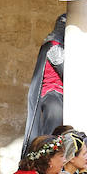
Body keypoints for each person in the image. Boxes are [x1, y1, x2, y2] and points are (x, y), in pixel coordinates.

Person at [22, 13, 66, 153]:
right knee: (50, 138)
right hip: (53, 93)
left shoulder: (57, 45)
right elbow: (66, 73)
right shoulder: (53, 46)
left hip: (59, 93)